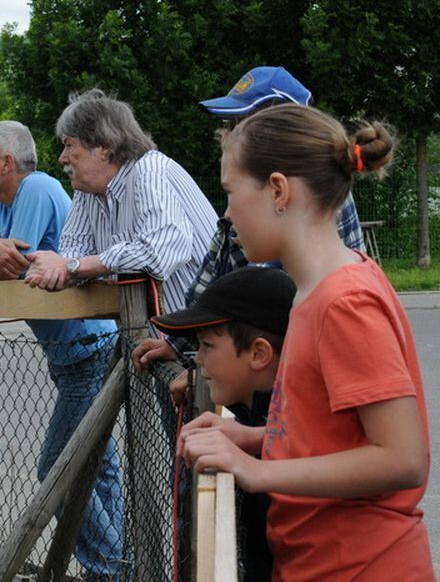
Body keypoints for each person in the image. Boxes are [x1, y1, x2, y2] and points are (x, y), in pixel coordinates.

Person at [180, 105, 433, 579]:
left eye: (232, 193)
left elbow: (402, 458)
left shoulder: (343, 301)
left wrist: (258, 471)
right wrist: (256, 440)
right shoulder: (316, 288)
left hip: (360, 566)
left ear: (278, 190)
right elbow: (330, 432)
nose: (228, 213)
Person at [0, 121, 123, 577]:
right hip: (75, 353)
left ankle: (109, 570)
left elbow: (13, 267)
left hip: (87, 346)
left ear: (7, 162)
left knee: (57, 471)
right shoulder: (6, 204)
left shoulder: (36, 189)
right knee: (94, 470)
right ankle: (119, 563)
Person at [132, 66, 366, 400]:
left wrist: (208, 370)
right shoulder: (255, 200)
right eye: (228, 124)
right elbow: (212, 281)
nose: (228, 132)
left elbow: (263, 304)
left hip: (271, 375)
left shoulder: (310, 207)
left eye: (239, 122)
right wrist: (180, 344)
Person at [154, 266, 296, 582]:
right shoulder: (262, 413)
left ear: (258, 353)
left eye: (207, 346)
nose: (198, 359)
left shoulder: (291, 459)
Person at [24, 89, 217, 318]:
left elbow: (157, 253)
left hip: (207, 340)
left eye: (69, 145)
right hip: (154, 340)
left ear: (104, 147)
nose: (62, 157)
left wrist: (73, 266)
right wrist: (60, 270)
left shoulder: (149, 169)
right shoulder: (88, 191)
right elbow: (74, 251)